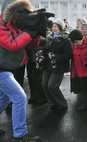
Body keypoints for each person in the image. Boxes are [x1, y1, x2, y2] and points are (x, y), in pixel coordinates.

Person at [0, 0, 41, 141]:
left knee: (4, 99)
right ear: (10, 12)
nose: (22, 15)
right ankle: (20, 134)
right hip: (1, 70)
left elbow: (30, 46)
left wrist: (35, 32)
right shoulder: (1, 26)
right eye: (20, 11)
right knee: (19, 97)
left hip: (6, 68)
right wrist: (29, 31)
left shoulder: (16, 26)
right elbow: (12, 45)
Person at [37, 19, 72, 110]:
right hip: (47, 65)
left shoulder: (66, 39)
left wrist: (55, 56)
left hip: (58, 66)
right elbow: (44, 50)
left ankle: (62, 104)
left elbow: (68, 54)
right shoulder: (49, 38)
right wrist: (41, 56)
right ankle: (53, 102)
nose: (54, 28)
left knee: (52, 86)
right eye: (53, 26)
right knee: (44, 85)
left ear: (61, 28)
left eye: (56, 27)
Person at [27, 37, 48, 104]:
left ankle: (41, 97)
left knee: (36, 78)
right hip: (31, 58)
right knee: (31, 78)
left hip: (36, 58)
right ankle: (35, 96)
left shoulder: (42, 39)